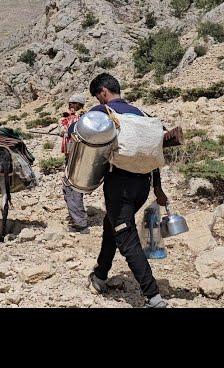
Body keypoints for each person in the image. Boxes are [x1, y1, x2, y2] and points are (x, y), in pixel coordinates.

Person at [72, 73, 169, 308]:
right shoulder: (141, 114)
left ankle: (153, 297)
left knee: (125, 236)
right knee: (112, 225)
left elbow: (75, 132)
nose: (99, 99)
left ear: (103, 92)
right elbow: (149, 153)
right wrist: (158, 188)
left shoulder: (105, 112)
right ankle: (100, 275)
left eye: (98, 95)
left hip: (120, 186)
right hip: (143, 185)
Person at [59, 93, 89, 234]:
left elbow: (81, 135)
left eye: (75, 103)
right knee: (68, 188)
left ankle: (80, 224)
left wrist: (68, 133)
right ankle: (77, 219)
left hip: (78, 157)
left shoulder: (83, 118)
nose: (71, 105)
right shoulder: (68, 118)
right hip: (70, 156)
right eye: (70, 103)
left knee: (72, 188)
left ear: (80, 105)